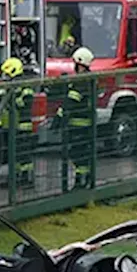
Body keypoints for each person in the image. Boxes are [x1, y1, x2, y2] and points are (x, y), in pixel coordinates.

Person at [0, 57, 36, 186]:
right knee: (15, 154)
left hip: (22, 125)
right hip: (13, 125)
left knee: (23, 154)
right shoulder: (13, 85)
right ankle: (16, 179)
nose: (5, 77)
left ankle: (26, 179)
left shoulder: (23, 85)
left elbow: (26, 102)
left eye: (7, 73)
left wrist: (11, 101)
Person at [62, 47, 96, 188]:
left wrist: (61, 114)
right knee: (82, 154)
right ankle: (84, 179)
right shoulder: (90, 79)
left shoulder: (81, 82)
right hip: (86, 123)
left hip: (78, 124)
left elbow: (71, 102)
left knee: (77, 153)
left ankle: (80, 182)